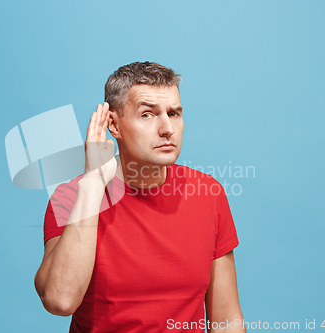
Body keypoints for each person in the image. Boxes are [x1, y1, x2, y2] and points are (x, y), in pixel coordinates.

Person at [34, 61, 246, 332]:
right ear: (114, 124)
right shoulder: (71, 197)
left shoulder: (208, 193)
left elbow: (226, 319)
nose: (167, 128)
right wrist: (93, 185)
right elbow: (59, 301)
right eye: (148, 114)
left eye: (174, 113)